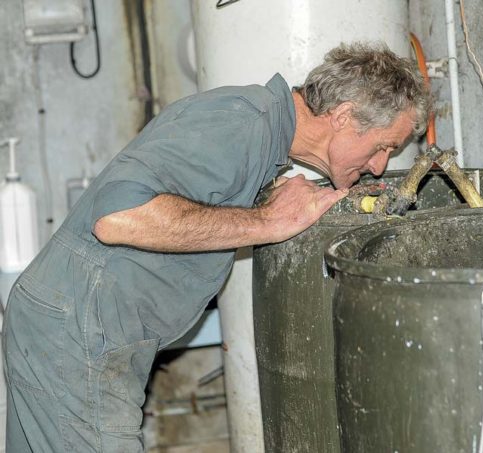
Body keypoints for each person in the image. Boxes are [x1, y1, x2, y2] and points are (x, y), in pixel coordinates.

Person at [2, 42, 430, 452]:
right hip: (78, 337)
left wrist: (266, 200)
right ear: (343, 116)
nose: (380, 165)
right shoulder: (239, 123)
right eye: (384, 146)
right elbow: (117, 218)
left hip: (69, 326)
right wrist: (267, 222)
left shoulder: (261, 136)